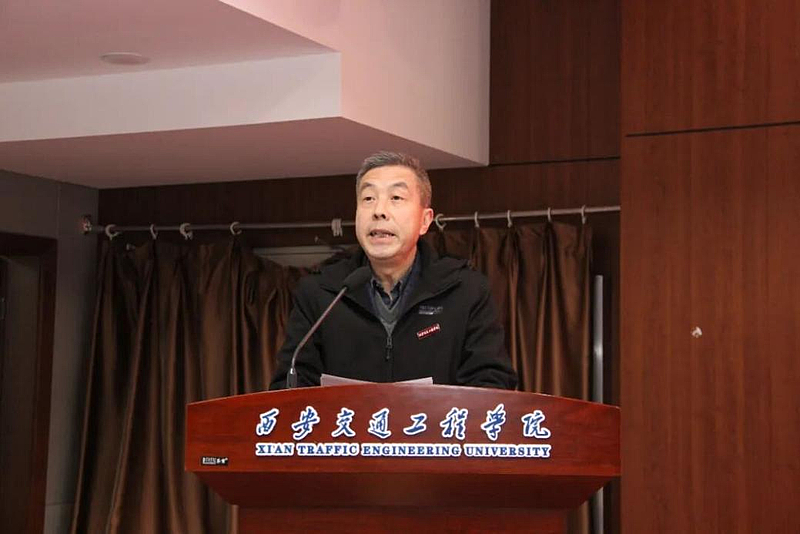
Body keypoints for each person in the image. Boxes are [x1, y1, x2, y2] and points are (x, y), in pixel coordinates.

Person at [269, 151, 517, 390]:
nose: (379, 211)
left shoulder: (465, 291)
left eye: (396, 198)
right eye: (368, 199)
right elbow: (290, 385)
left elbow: (492, 383)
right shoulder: (322, 293)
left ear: (425, 220)